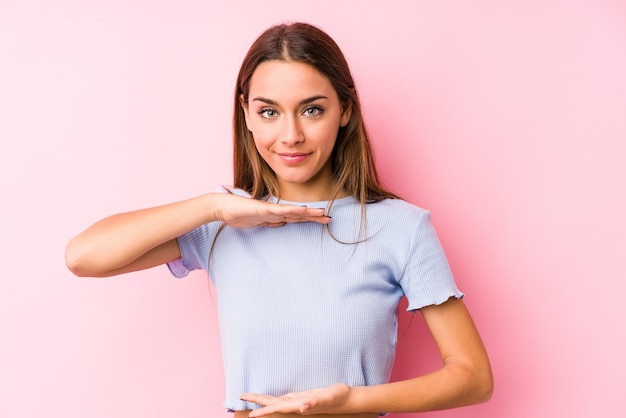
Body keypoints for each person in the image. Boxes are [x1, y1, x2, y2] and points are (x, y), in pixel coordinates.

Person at [65, 22, 493, 418]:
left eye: (312, 110)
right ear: (247, 113)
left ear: (344, 110)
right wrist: (215, 206)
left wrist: (351, 399)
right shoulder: (224, 223)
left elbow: (473, 376)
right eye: (269, 112)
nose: (291, 135)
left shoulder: (401, 228)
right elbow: (84, 256)